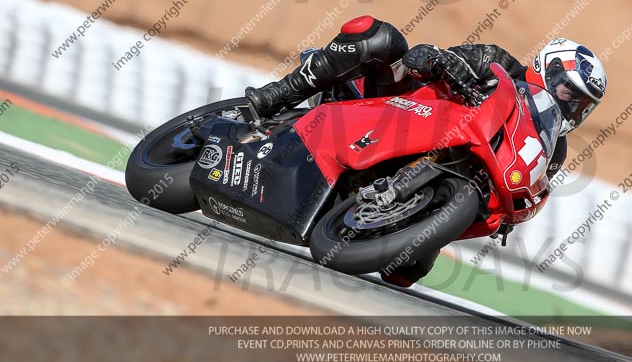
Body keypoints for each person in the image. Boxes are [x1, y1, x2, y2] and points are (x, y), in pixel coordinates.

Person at [245, 15, 607, 286]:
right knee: (379, 37)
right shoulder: (497, 62)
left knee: (406, 271)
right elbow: (430, 57)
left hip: (447, 173)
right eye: (568, 94)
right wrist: (440, 61)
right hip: (398, 108)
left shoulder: (554, 147)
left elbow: (528, 184)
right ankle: (275, 96)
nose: (572, 109)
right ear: (548, 70)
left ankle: (374, 208)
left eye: (581, 106)